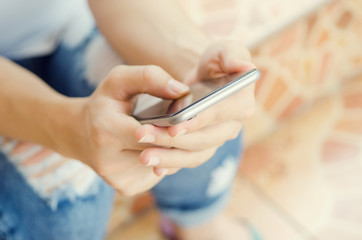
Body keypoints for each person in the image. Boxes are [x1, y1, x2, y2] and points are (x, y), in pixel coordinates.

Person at [0, 0, 257, 239]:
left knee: (202, 118)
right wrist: (68, 128)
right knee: (68, 215)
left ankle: (200, 225)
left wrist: (192, 62)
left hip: (66, 21)